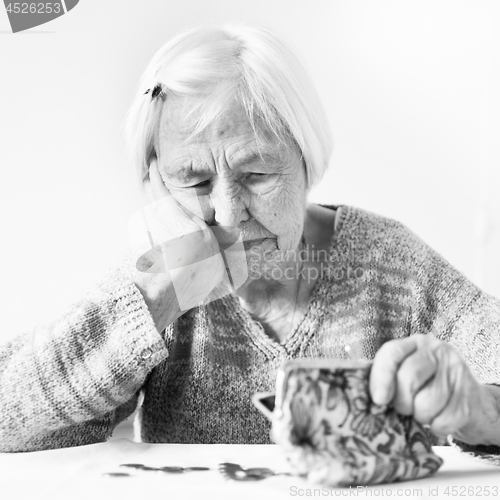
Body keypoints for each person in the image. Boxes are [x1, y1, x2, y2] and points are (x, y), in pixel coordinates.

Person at [1, 24, 500, 459]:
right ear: (155, 185)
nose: (226, 213)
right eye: (194, 181)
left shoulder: (392, 265)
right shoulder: (155, 281)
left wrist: (482, 411)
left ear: (308, 163)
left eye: (257, 173)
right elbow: (11, 419)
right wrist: (152, 304)